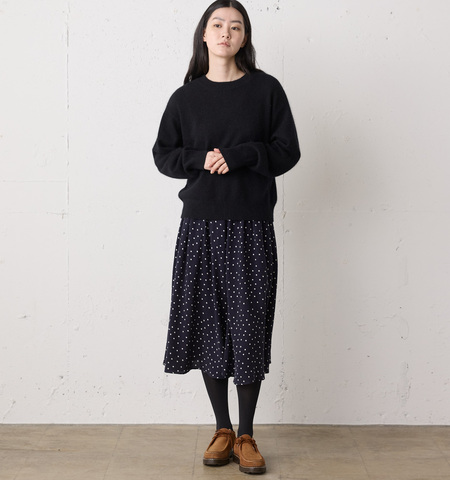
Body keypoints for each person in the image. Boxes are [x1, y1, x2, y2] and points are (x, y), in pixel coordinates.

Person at [153, 0, 300, 474]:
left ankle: (247, 434)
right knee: (208, 326)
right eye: (217, 24)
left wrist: (240, 155)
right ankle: (223, 429)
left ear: (244, 38)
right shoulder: (186, 97)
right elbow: (163, 155)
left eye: (235, 27)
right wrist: (200, 159)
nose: (225, 32)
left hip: (251, 225)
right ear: (204, 34)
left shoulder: (266, 90)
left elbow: (288, 151)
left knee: (248, 327)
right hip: (199, 226)